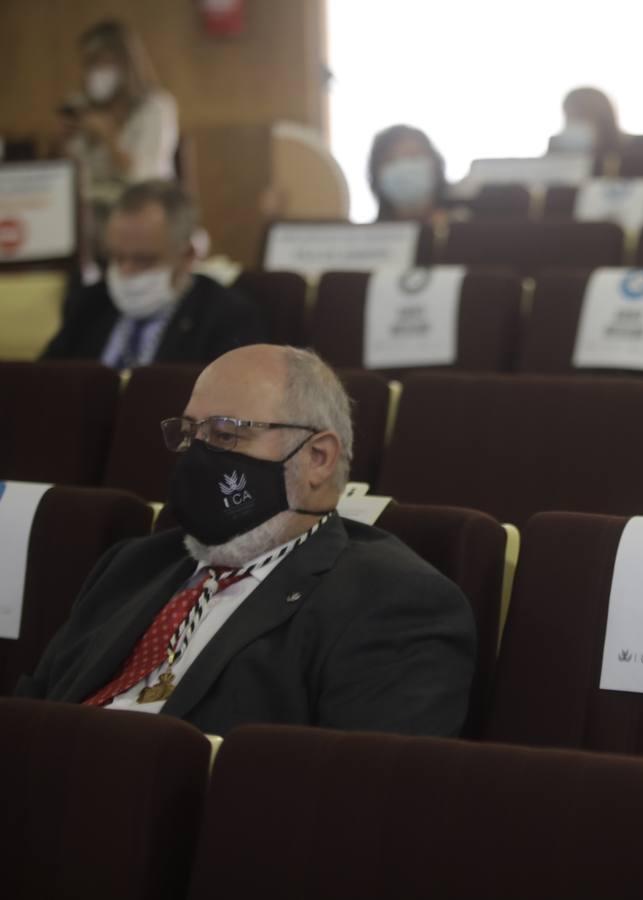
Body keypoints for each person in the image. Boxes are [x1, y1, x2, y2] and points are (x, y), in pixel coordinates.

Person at [16, 345, 477, 737]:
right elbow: (29, 714)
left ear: (317, 457)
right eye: (190, 434)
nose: (198, 457)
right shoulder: (134, 565)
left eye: (224, 435)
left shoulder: (393, 603)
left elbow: (356, 796)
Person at [42, 180, 264, 368]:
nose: (126, 271)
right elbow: (43, 383)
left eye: (144, 260)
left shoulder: (226, 318)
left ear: (187, 255)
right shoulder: (88, 304)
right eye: (117, 257)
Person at [62, 20, 179, 235]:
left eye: (101, 62)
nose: (94, 71)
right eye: (89, 63)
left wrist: (109, 138)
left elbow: (142, 177)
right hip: (91, 214)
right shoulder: (81, 108)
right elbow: (72, 180)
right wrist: (67, 143)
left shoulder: (156, 108)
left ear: (125, 64)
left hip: (143, 210)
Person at [367, 124, 453, 229]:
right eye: (392, 160)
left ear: (435, 165)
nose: (404, 166)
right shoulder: (366, 240)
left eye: (413, 156)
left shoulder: (468, 227)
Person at [549, 86, 624, 157]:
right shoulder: (557, 145)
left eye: (579, 116)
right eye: (570, 117)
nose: (574, 124)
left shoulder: (631, 146)